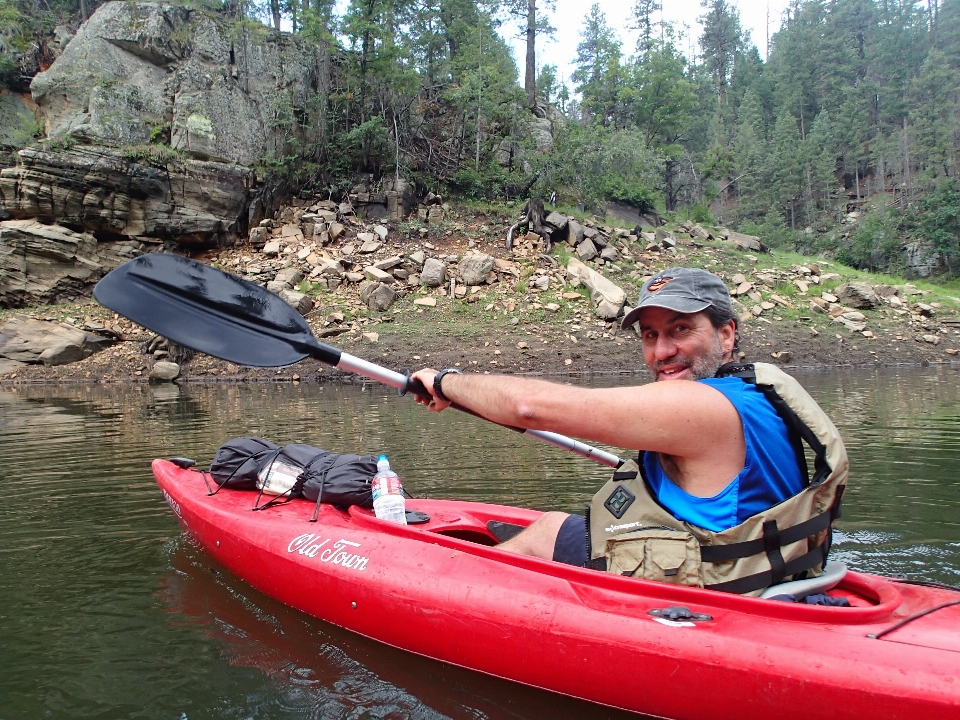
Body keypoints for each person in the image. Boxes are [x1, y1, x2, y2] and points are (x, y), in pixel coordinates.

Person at [412, 267, 848, 594]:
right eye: (650, 334)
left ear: (727, 334)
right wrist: (470, 400)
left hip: (716, 596)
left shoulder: (702, 406)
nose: (663, 351)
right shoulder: (751, 395)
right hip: (765, 575)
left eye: (681, 329)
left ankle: (438, 598)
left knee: (544, 534)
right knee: (557, 527)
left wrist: (446, 381)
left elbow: (528, 407)